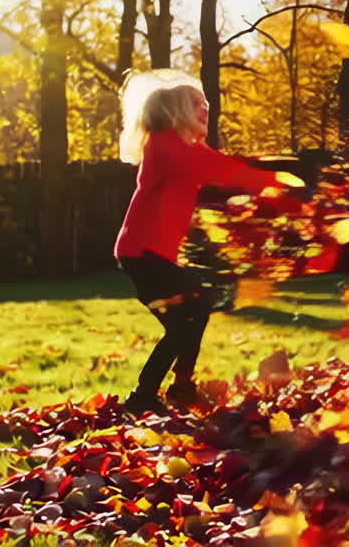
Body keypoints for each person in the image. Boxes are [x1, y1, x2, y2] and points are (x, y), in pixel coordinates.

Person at [115, 81, 302, 415]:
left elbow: (217, 166)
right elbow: (223, 170)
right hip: (142, 253)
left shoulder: (180, 147)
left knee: (196, 311)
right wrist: (277, 183)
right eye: (196, 103)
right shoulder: (164, 145)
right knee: (185, 320)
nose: (205, 109)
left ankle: (180, 388)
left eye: (205, 103)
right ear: (175, 111)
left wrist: (270, 180)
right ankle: (145, 395)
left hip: (150, 254)